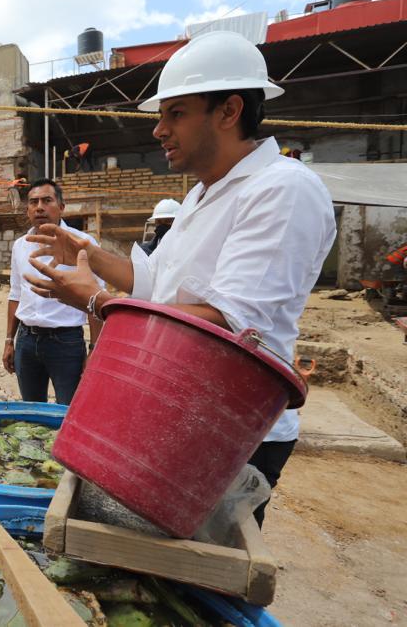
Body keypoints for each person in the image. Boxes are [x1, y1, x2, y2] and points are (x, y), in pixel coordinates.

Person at [24, 31, 336, 525]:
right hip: (172, 407)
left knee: (196, 578)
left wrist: (97, 303)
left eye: (176, 113)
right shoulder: (200, 196)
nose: (158, 130)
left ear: (229, 111)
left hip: (228, 432)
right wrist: (89, 254)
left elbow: (230, 324)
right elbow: (152, 284)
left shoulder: (282, 189)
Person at [4, 179, 102, 406]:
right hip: (26, 342)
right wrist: (10, 340)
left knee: (67, 411)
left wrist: (94, 350)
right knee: (32, 411)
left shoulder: (83, 243)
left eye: (47, 200)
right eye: (33, 202)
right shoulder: (20, 245)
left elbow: (96, 299)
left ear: (61, 207)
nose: (39, 207)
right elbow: (15, 294)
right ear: (27, 209)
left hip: (65, 342)